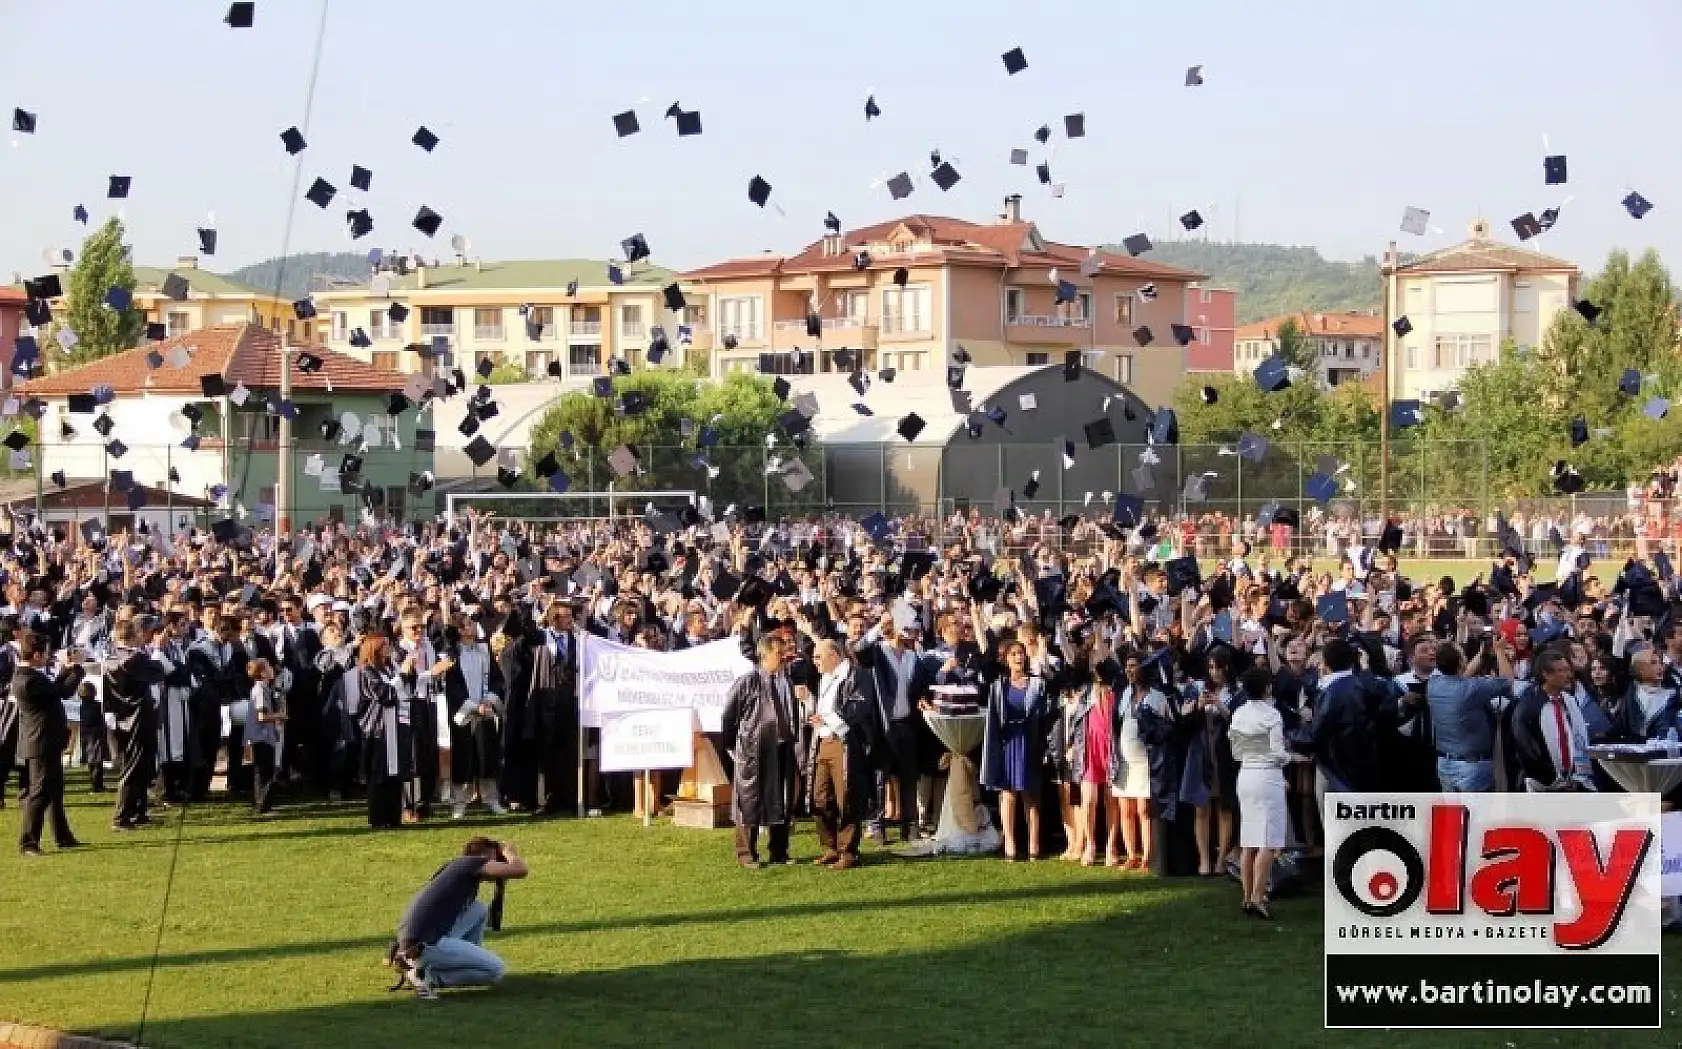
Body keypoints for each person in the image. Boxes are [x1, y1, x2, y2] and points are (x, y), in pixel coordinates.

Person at [393, 837, 529, 999]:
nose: (500, 863)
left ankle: (428, 967)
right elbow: (520, 870)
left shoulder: (456, 867)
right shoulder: (473, 863)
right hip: (424, 945)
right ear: (484, 855)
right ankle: (427, 977)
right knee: (496, 970)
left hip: (416, 943)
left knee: (478, 909)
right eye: (497, 858)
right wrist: (510, 854)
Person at [721, 634, 800, 868]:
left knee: (781, 799)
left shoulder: (785, 681)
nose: (784, 656)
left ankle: (779, 851)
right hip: (754, 750)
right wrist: (733, 746)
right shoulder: (747, 682)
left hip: (782, 748)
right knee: (750, 801)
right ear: (764, 655)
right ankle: (747, 854)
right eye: (779, 653)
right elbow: (728, 717)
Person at [15, 631, 86, 856]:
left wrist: (67, 669)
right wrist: (76, 669)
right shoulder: (28, 680)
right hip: (40, 742)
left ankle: (62, 835)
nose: (48, 656)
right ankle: (28, 842)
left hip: (48, 740)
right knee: (39, 793)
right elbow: (61, 692)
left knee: (55, 790)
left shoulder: (33, 675)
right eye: (45, 653)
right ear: (36, 655)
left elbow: (55, 689)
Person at [804, 639, 871, 869]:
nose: (815, 662)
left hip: (845, 745)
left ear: (834, 656)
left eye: (818, 657)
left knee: (847, 799)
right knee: (819, 798)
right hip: (822, 742)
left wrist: (829, 721)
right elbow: (824, 708)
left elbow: (859, 706)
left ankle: (848, 851)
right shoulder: (824, 678)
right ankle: (830, 847)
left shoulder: (857, 675)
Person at [1228, 667, 1289, 919]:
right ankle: (1257, 895)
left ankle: (1247, 896)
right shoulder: (1272, 715)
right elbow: (1276, 753)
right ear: (1266, 688)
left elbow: (1235, 752)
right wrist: (1289, 756)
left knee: (1249, 837)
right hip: (1267, 777)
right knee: (1267, 839)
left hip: (1245, 776)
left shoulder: (1239, 713)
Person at [980, 640, 1047, 860]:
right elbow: (993, 720)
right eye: (1014, 654)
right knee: (1008, 795)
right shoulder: (1000, 687)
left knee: (1030, 795)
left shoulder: (1037, 684)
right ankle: (1009, 841)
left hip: (1030, 742)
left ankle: (1034, 845)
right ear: (1006, 659)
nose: (1019, 658)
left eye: (1021, 654)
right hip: (1008, 742)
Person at [1425, 640, 1514, 793]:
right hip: (1472, 767)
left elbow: (1460, 676)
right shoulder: (1472, 689)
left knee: (1452, 815)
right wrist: (1499, 651)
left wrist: (1480, 655)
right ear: (1461, 661)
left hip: (1444, 763)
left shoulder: (1433, 684)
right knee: (1477, 815)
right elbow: (1508, 682)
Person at [245, 657, 285, 815]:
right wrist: (279, 716)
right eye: (268, 667)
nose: (272, 669)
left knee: (260, 773)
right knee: (266, 773)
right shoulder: (260, 690)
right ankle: (263, 806)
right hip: (261, 737)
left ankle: (260, 804)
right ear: (262, 673)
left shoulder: (263, 689)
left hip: (258, 737)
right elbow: (262, 717)